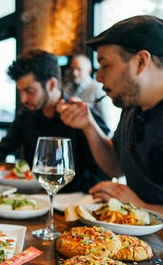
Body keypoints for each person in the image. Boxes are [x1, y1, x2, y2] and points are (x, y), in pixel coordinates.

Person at [57, 15, 163, 213]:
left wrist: (140, 207)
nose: (98, 77)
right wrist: (88, 124)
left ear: (141, 61)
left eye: (105, 65)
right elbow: (115, 165)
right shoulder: (132, 108)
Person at [0, 49, 110, 193]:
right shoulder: (26, 117)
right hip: (34, 200)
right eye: (20, 92)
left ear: (52, 84)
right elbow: (1, 150)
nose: (23, 99)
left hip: (73, 204)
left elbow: (104, 171)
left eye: (29, 91)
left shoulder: (81, 116)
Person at [63, 54, 118, 133]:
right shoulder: (67, 89)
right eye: (72, 69)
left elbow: (107, 124)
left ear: (89, 71)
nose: (74, 73)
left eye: (78, 69)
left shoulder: (98, 89)